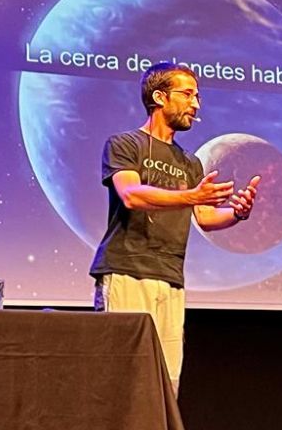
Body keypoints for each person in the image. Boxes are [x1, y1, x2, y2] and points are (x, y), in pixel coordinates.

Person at [89, 62, 260, 396]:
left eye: (197, 97)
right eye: (187, 94)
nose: (196, 104)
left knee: (167, 384)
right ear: (159, 97)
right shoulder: (125, 144)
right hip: (127, 271)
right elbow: (131, 195)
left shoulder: (190, 162)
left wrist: (236, 214)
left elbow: (205, 217)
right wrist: (192, 195)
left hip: (170, 277)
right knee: (122, 377)